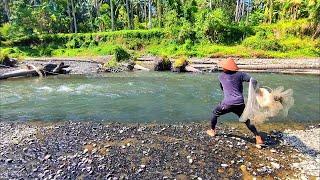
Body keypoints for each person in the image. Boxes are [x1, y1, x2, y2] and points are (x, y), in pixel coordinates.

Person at [206, 57, 264, 145]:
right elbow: (253, 80)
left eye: (223, 67)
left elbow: (222, 88)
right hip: (240, 103)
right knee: (246, 120)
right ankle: (258, 137)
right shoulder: (240, 75)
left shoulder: (221, 76)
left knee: (215, 113)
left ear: (225, 67)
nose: (222, 68)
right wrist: (256, 91)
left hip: (227, 103)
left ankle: (212, 131)